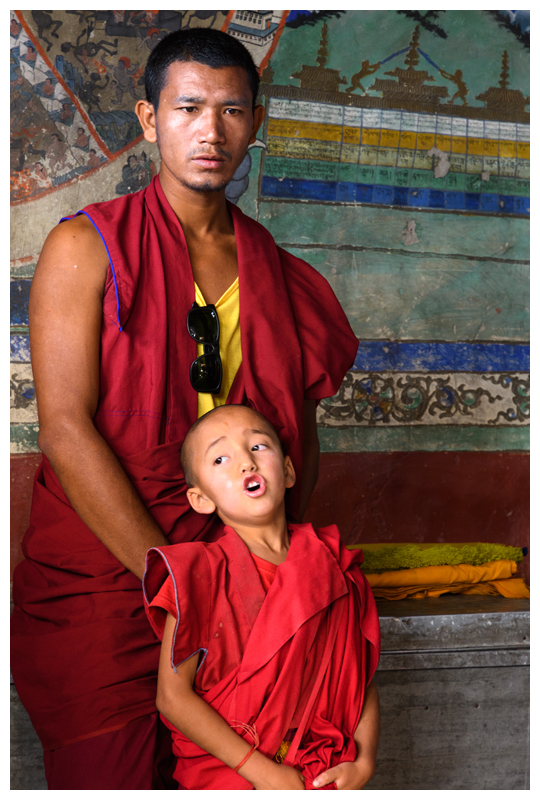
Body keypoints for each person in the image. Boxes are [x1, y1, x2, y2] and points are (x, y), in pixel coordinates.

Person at [11, 28, 359, 790]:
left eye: (232, 111)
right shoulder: (86, 248)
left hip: (240, 582)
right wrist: (177, 588)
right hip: (110, 575)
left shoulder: (283, 276)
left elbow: (297, 442)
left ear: (255, 123)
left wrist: (262, 572)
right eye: (189, 108)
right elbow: (65, 429)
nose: (212, 131)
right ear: (149, 119)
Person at [144, 404, 381, 790]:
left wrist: (365, 759)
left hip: (322, 770)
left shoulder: (333, 565)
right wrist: (262, 772)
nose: (246, 463)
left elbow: (359, 675)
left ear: (287, 471)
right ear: (201, 499)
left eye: (257, 446)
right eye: (220, 458)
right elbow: (172, 698)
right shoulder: (198, 575)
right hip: (233, 776)